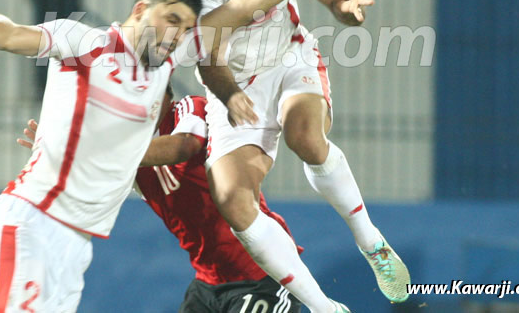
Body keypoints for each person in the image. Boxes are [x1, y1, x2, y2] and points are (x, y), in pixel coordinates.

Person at [0, 0, 373, 312]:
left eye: (184, 26)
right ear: (140, 11)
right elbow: (12, 35)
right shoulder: (83, 43)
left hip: (77, 242)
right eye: (170, 19)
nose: (177, 34)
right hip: (34, 221)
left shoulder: (167, 77)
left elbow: (244, 3)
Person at [176, 0, 410, 309]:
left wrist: (347, 8)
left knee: (306, 136)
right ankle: (324, 306)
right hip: (233, 77)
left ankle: (369, 240)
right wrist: (230, 96)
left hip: (290, 56)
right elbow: (206, 51)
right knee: (232, 198)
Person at [18, 86, 325, 313]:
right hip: (208, 283)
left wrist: (96, 152)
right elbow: (86, 194)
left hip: (262, 272)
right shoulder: (124, 154)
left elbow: (184, 146)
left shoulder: (189, 109)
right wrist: (58, 157)